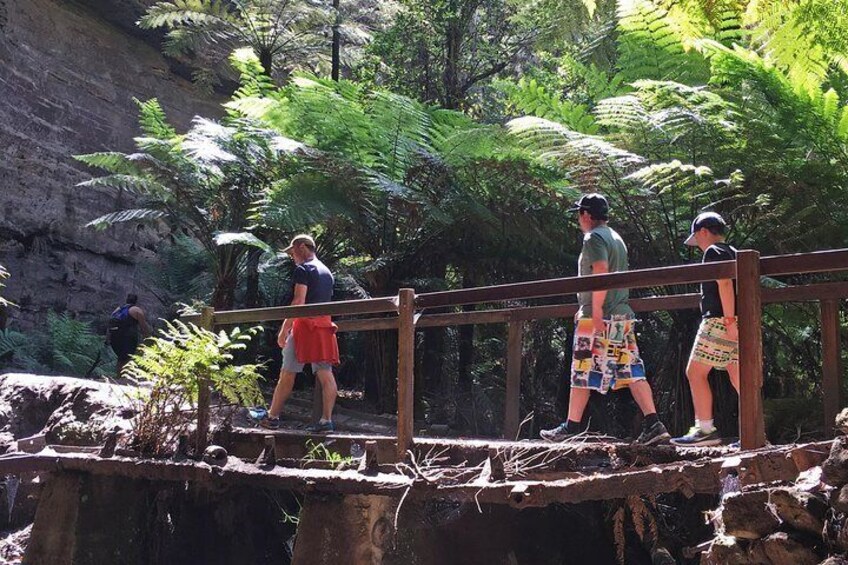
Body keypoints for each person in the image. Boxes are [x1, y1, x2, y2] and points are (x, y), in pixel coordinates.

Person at [541, 194, 671, 445]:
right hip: (621, 316)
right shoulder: (616, 238)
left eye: (579, 214)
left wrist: (595, 310)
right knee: (632, 369)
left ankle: (571, 428)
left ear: (587, 215)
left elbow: (600, 270)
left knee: (581, 370)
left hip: (599, 317)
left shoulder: (593, 238)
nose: (579, 219)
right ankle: (654, 423)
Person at [258, 234, 340, 432]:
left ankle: (272, 417)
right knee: (326, 374)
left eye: (293, 251)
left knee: (287, 373)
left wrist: (285, 329)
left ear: (302, 247)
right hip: (324, 326)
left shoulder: (303, 269)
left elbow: (298, 302)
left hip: (304, 328)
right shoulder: (327, 272)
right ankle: (326, 421)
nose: (291, 256)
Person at [671, 212, 739, 446]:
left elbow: (724, 283)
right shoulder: (734, 252)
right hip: (737, 321)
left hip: (718, 321)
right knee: (739, 375)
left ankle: (705, 429)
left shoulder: (714, 252)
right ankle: (755, 431)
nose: (698, 245)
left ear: (703, 232)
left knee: (695, 372)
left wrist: (729, 320)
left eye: (697, 239)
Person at [107, 294, 152, 375]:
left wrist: (108, 338)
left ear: (126, 300)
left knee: (121, 358)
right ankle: (124, 378)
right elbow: (143, 327)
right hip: (127, 337)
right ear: (136, 301)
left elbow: (110, 323)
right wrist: (148, 339)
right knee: (128, 357)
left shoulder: (118, 310)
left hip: (114, 337)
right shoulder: (136, 310)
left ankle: (119, 376)